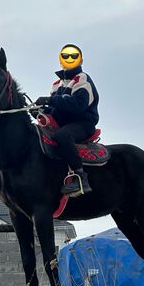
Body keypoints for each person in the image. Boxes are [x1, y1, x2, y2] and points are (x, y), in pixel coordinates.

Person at [35, 44, 99, 195]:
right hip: (63, 124)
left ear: (80, 61)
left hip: (83, 123)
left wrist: (50, 100)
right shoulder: (57, 84)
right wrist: (41, 111)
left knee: (62, 136)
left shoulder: (83, 80)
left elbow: (78, 105)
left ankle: (80, 176)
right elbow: (56, 111)